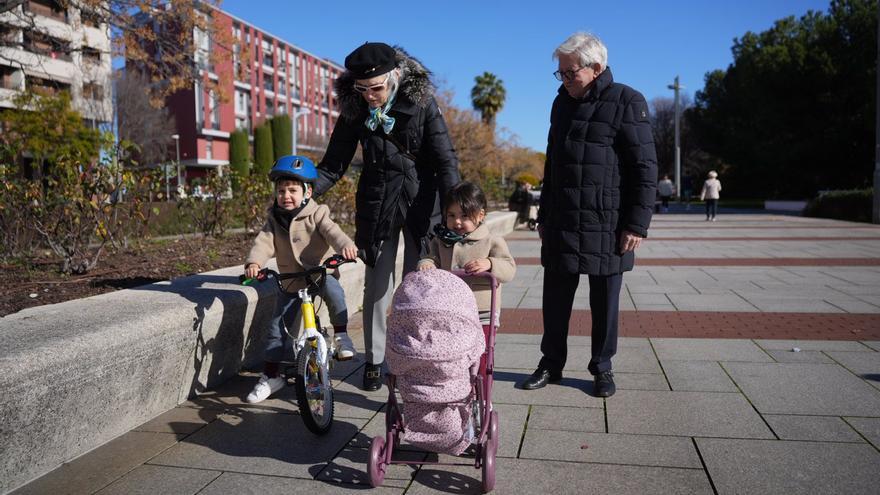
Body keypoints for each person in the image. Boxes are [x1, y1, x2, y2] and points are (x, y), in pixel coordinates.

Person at [313, 42, 460, 391]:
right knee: (377, 286)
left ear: (394, 77)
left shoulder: (422, 103)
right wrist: (304, 191)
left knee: (417, 288)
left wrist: (456, 208)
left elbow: (445, 160)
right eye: (361, 90)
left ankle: (409, 357)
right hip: (377, 204)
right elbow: (334, 164)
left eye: (376, 88)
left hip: (421, 205)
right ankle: (376, 360)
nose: (369, 97)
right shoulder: (354, 110)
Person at [519, 32, 657, 398]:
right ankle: (551, 364)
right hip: (563, 220)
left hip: (608, 223)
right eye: (560, 74)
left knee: (605, 303)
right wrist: (544, 216)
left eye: (569, 73)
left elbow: (644, 168)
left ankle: (602, 369)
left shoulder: (628, 101)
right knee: (555, 301)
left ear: (596, 68)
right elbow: (553, 165)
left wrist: (637, 224)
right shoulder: (561, 103)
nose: (564, 80)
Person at [243, 155, 359, 404]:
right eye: (281, 190)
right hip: (291, 280)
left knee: (335, 292)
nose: (286, 195)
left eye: (293, 190)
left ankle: (341, 335)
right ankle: (271, 375)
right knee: (276, 327)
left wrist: (346, 247)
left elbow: (333, 232)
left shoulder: (317, 213)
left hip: (319, 273)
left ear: (306, 192)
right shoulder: (274, 219)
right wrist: (254, 263)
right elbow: (263, 243)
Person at [418, 181, 517, 329]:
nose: (457, 222)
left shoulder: (492, 241)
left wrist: (490, 264)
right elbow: (432, 258)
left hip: (483, 309)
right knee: (454, 349)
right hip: (449, 306)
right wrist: (427, 263)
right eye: (451, 215)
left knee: (483, 349)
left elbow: (509, 268)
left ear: (480, 215)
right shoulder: (440, 241)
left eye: (464, 216)